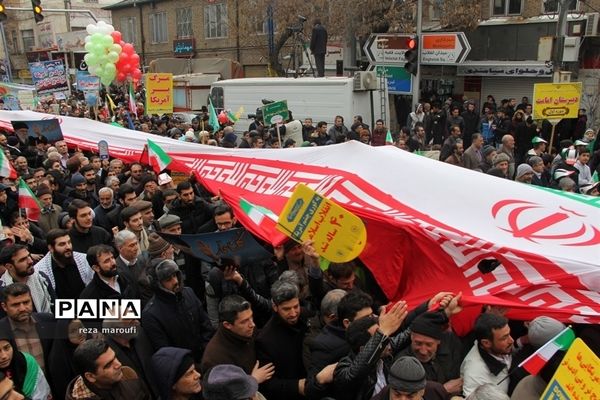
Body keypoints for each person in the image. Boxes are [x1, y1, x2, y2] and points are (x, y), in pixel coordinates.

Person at [142, 259, 214, 362]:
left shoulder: (189, 293)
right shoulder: (151, 315)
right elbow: (165, 351)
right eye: (168, 279)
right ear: (157, 284)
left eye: (175, 275)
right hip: (184, 367)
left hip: (206, 357)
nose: (175, 281)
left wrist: (207, 352)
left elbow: (206, 325)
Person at [201, 295, 274, 383]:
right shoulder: (215, 359)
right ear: (227, 325)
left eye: (251, 317)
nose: (252, 324)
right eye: (244, 321)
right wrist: (252, 380)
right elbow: (224, 393)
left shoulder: (247, 331)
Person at [67, 339, 151, 400]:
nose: (119, 365)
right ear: (91, 376)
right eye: (108, 365)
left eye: (115, 357)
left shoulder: (128, 374)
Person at [0, 284, 55, 375]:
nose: (22, 309)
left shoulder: (48, 321)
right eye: (15, 305)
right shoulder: (2, 330)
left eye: (26, 302)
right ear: (4, 307)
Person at [460, 313, 514, 397]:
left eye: (509, 334)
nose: (511, 340)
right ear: (486, 343)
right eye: (504, 338)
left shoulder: (499, 349)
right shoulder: (475, 374)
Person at [34, 228, 93, 300]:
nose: (68, 247)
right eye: (62, 244)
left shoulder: (83, 260)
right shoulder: (40, 270)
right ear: (51, 248)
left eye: (69, 242)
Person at [0, 244, 54, 314]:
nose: (30, 261)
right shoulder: (2, 289)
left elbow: (55, 305)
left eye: (29, 256)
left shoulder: (41, 278)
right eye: (22, 260)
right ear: (9, 266)